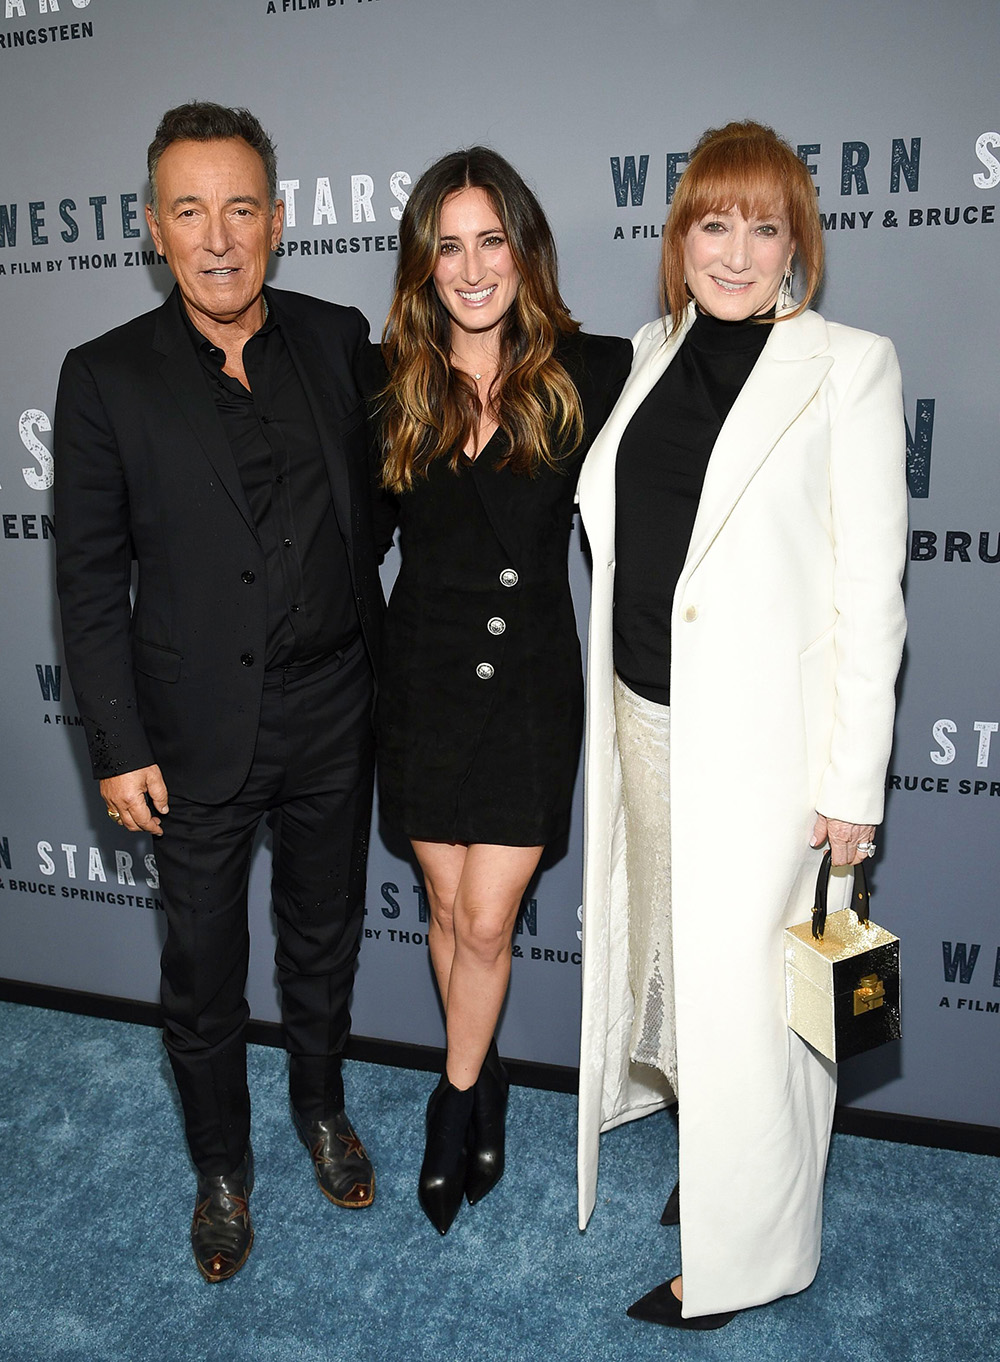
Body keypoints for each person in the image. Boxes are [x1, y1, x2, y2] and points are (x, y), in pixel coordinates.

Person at [576, 120, 907, 1328]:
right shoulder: (653, 354)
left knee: (760, 1005)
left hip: (768, 754)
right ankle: (715, 1171)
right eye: (713, 223)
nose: (735, 250)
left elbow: (871, 593)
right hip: (644, 724)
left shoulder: (848, 366)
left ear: (796, 245)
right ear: (678, 240)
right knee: (683, 972)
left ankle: (756, 1257)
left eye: (763, 227)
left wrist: (850, 787)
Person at [54, 102, 385, 1283]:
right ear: (154, 229)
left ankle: (320, 1109)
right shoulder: (103, 379)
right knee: (201, 968)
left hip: (336, 706)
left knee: (323, 939)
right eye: (189, 210)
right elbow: (89, 582)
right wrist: (115, 742)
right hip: (190, 734)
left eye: (241, 207)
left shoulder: (342, 339)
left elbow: (409, 488)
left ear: (279, 220)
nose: (219, 236)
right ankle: (221, 1170)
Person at [375, 147, 631, 1234]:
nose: (472, 268)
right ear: (422, 264)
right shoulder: (386, 385)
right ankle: (485, 1078)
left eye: (491, 241)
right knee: (443, 908)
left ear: (523, 251)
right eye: (448, 246)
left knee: (485, 921)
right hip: (420, 682)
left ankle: (451, 1097)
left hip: (526, 686)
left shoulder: (595, 369)